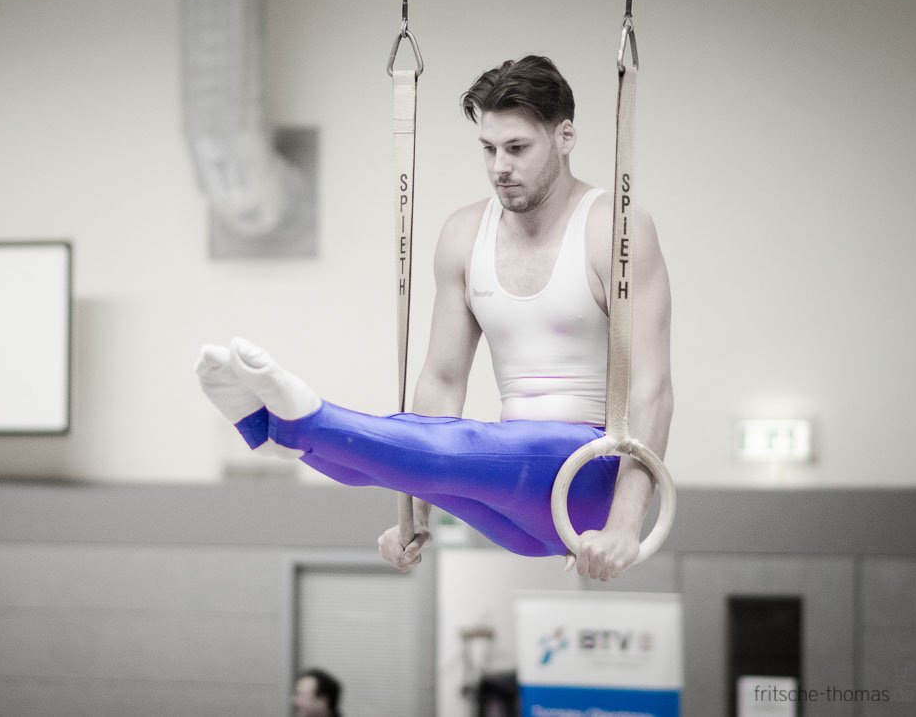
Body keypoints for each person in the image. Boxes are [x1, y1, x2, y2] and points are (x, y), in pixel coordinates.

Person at [198, 55, 672, 582]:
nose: (500, 166)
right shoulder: (464, 234)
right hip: (511, 502)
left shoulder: (615, 228)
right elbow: (442, 382)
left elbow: (651, 389)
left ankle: (305, 424)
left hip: (590, 480)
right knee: (419, 457)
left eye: (517, 148)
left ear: (565, 137)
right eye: (488, 148)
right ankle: (274, 432)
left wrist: (625, 525)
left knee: (463, 450)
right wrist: (415, 513)